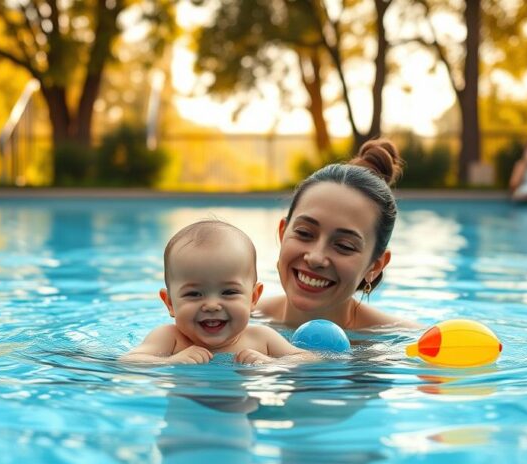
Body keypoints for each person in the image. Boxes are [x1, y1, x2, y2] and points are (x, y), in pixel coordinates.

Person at [256, 138, 418, 330]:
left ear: (375, 266)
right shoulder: (237, 322)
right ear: (283, 234)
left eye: (344, 246)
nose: (316, 258)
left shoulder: (405, 344)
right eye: (304, 233)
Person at [122, 220, 315, 365]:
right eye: (194, 294)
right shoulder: (169, 338)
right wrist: (169, 362)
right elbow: (129, 361)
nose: (212, 305)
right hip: (187, 417)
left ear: (253, 298)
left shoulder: (261, 338)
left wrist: (272, 363)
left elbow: (307, 359)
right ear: (170, 303)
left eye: (229, 292)